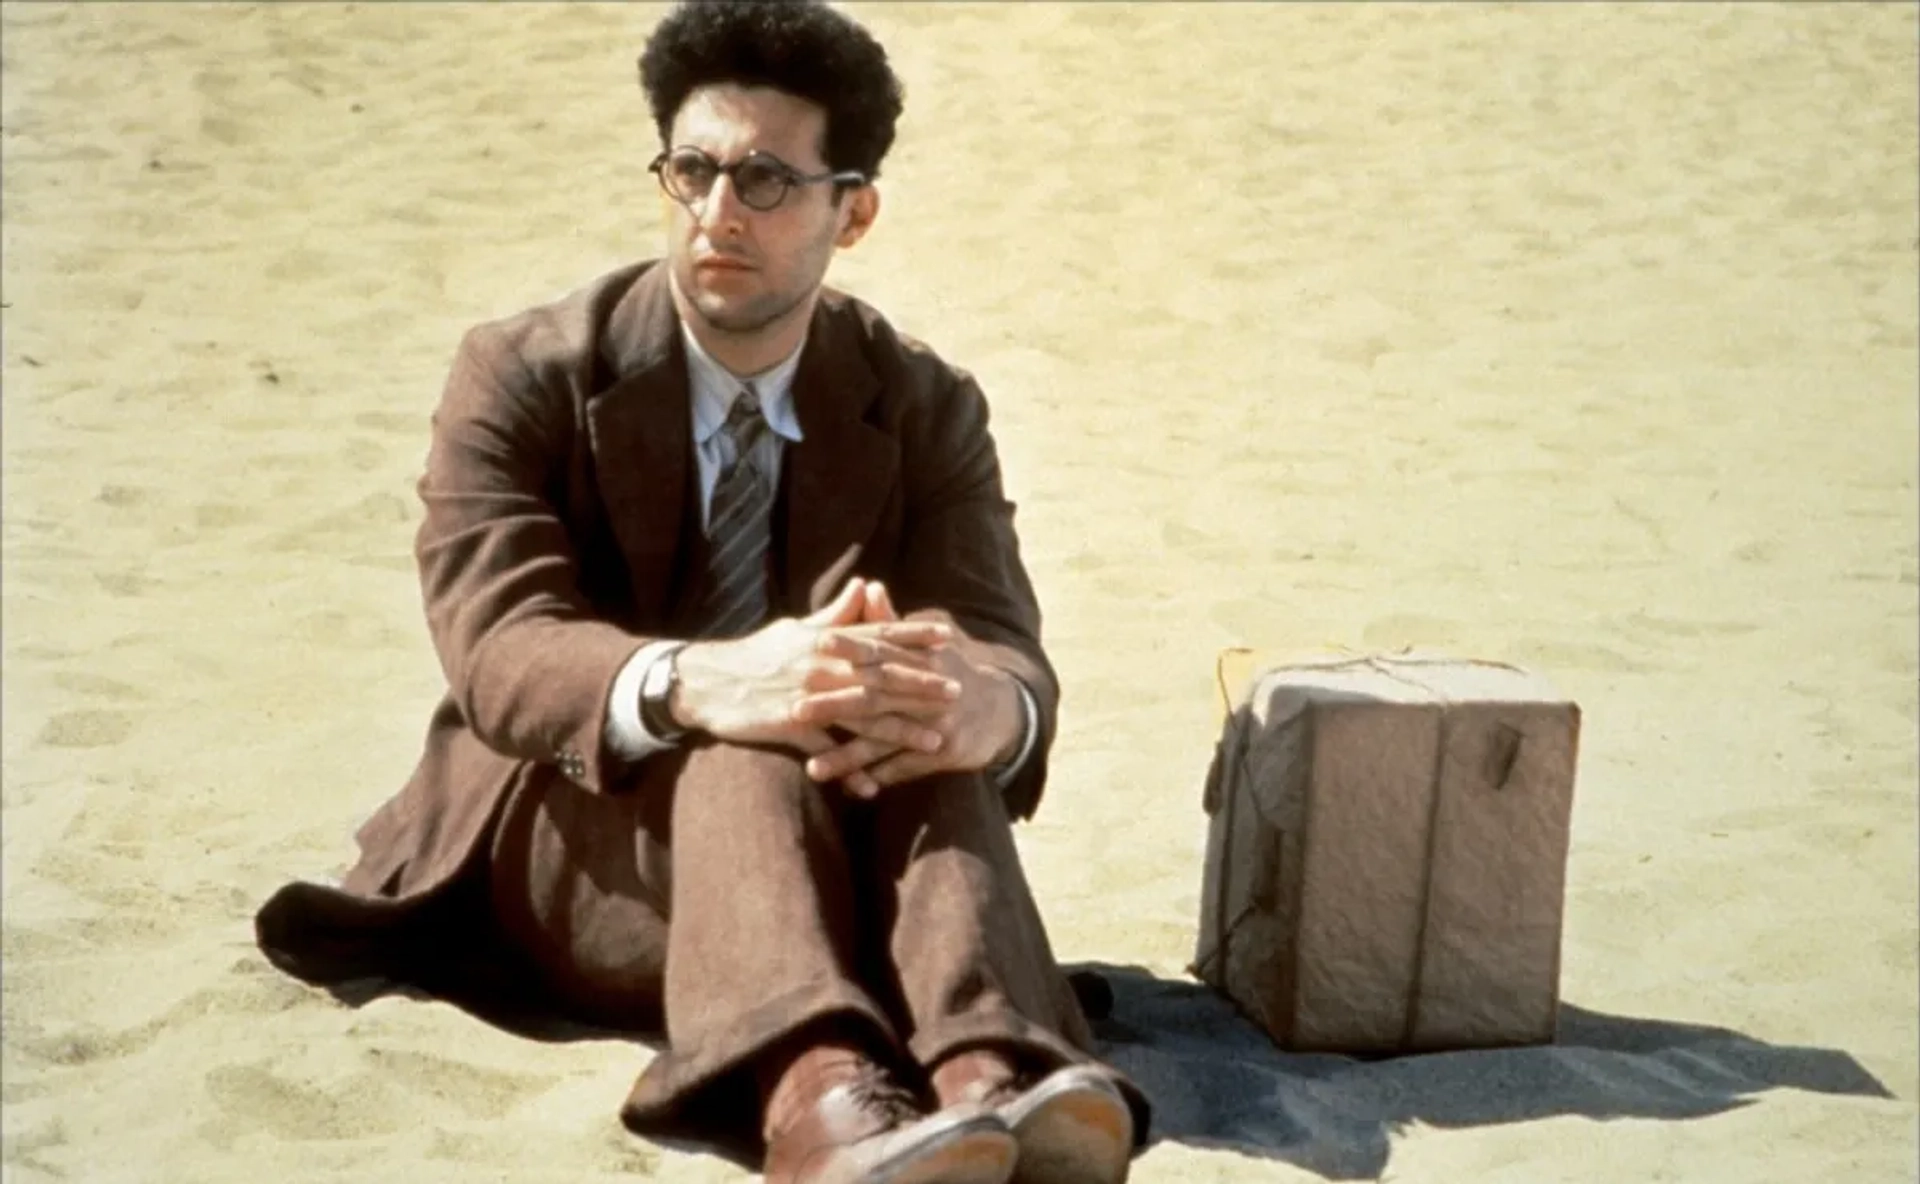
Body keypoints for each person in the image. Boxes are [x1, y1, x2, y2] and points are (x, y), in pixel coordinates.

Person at [253, 2, 1148, 1182]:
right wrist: (703, 681)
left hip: (839, 846)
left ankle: (995, 1075)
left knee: (928, 716)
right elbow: (500, 650)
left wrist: (989, 705)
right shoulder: (524, 371)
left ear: (854, 209)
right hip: (566, 841)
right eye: (694, 170)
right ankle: (819, 1099)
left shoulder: (925, 404)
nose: (718, 213)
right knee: (743, 736)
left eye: (768, 180)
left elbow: (998, 641)